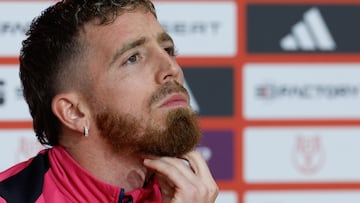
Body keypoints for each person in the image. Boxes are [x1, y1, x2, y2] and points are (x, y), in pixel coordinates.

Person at [0, 0, 219, 202]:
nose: (172, 69)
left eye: (168, 50)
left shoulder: (185, 195)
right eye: (133, 58)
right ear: (75, 112)